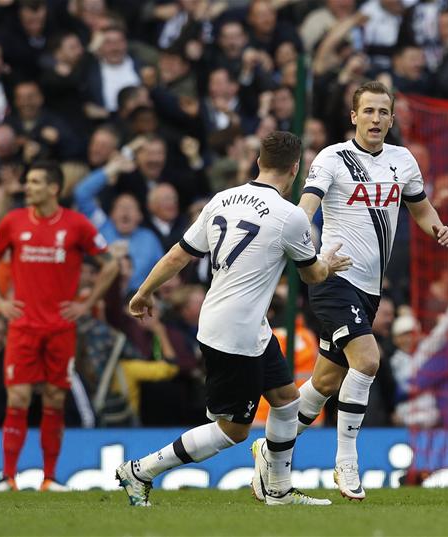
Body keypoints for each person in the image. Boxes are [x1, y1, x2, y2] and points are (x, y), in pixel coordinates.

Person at [115, 131, 351, 507]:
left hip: (242, 324)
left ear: (258, 161)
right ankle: (140, 470)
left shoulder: (222, 199)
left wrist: (144, 292)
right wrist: (328, 264)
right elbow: (312, 276)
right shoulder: (290, 216)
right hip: (235, 334)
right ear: (295, 170)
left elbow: (179, 255)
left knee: (286, 401)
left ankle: (278, 490)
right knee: (233, 431)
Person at [253, 81, 448, 502]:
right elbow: (305, 209)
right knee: (367, 360)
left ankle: (270, 452)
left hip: (369, 289)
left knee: (326, 381)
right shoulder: (332, 158)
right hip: (333, 278)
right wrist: (306, 253)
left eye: (383, 112)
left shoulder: (403, 161)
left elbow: (420, 207)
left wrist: (436, 227)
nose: (375, 119)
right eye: (368, 111)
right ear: (353, 116)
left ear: (392, 119)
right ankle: (346, 461)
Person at [0, 161, 119, 491]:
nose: (28, 187)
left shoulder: (76, 224)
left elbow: (109, 264)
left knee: (54, 399)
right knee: (18, 398)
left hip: (60, 328)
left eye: (36, 182)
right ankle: (7, 477)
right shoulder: (13, 221)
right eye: (28, 181)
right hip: (23, 326)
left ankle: (49, 478)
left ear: (54, 188)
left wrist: (85, 304)